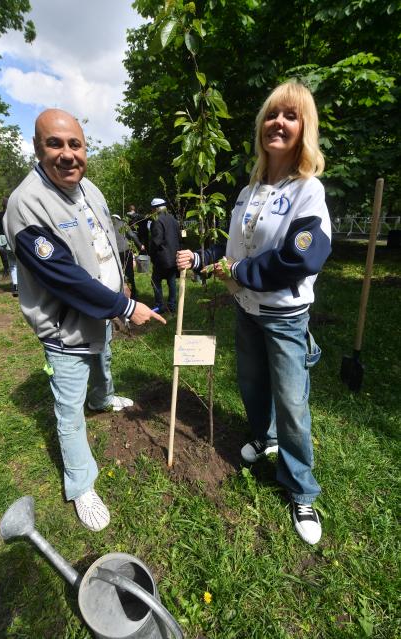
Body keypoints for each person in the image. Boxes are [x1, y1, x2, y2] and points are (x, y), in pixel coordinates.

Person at [177, 81, 331, 545]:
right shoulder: (248, 191)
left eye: (290, 116)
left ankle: (300, 487)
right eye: (271, 115)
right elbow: (236, 252)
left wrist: (239, 270)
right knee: (251, 383)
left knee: (292, 403)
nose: (278, 123)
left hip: (285, 316)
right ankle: (263, 438)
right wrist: (205, 258)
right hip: (246, 307)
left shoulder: (309, 191)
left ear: (304, 128)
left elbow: (301, 259)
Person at [4, 109, 165, 532]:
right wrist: (127, 308)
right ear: (38, 148)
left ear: (84, 148)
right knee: (68, 409)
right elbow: (65, 279)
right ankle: (81, 484)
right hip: (65, 327)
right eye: (55, 144)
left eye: (75, 144)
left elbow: (109, 244)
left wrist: (124, 287)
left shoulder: (89, 187)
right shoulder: (27, 205)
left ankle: (103, 398)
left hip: (103, 312)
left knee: (104, 364)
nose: (67, 154)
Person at [150, 198, 181, 314]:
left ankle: (159, 306)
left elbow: (156, 241)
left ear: (156, 209)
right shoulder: (173, 219)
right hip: (174, 257)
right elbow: (179, 237)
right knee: (171, 281)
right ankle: (172, 306)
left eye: (152, 209)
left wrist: (151, 254)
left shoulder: (157, 220)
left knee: (155, 281)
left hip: (162, 258)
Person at [112, 212, 144, 300]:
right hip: (126, 251)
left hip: (115, 253)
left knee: (117, 275)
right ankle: (133, 297)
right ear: (119, 218)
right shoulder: (123, 223)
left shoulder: (108, 225)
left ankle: (121, 297)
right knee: (129, 274)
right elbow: (132, 235)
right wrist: (140, 245)